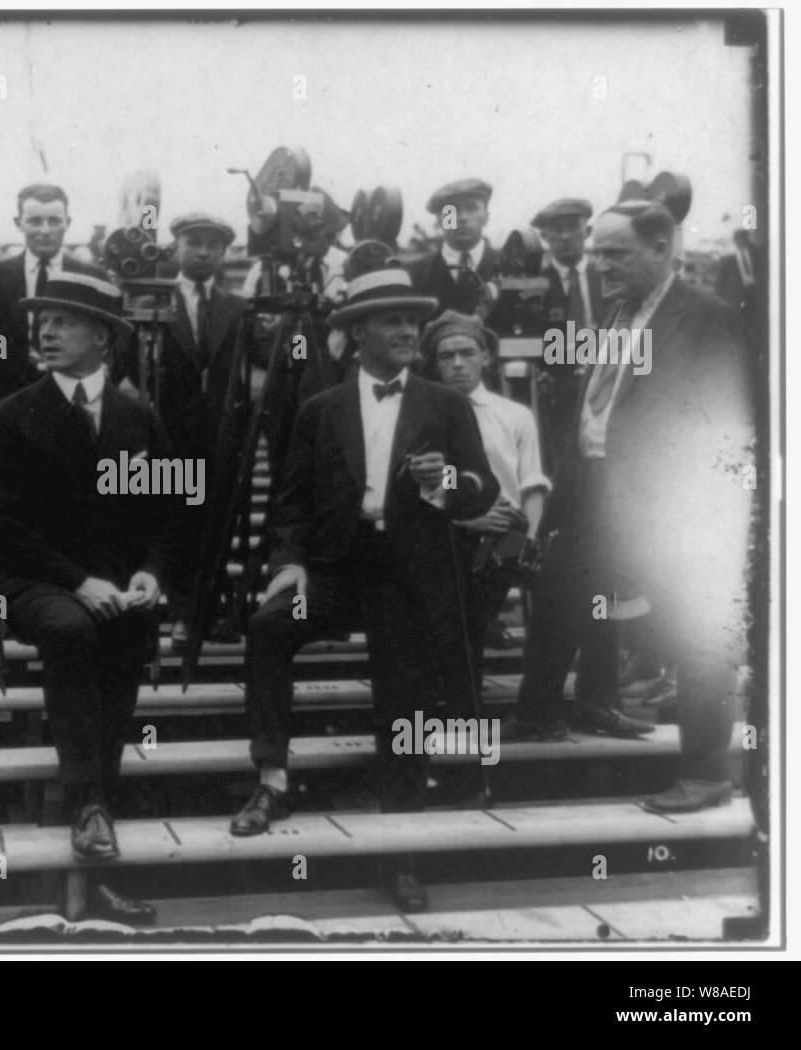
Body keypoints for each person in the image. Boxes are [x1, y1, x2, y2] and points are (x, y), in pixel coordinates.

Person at [231, 268, 497, 912]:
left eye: (412, 319)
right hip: (334, 572)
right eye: (391, 320)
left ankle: (400, 848)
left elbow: (482, 491)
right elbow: (290, 503)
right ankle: (272, 778)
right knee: (269, 626)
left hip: (409, 575)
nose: (408, 330)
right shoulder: (320, 410)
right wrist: (288, 564)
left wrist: (443, 482)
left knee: (403, 698)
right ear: (356, 334)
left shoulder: (446, 404)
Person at [505, 202, 757, 818]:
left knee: (697, 632)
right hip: (593, 489)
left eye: (615, 254)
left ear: (662, 248)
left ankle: (706, 772)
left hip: (668, 503)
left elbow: (727, 423)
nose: (601, 265)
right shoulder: (614, 315)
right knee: (559, 590)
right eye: (597, 253)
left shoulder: (708, 317)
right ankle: (538, 714)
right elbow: (596, 411)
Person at [0, 274, 179, 925]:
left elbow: (165, 514)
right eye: (43, 321)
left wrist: (149, 573)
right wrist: (77, 581)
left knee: (129, 627)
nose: (46, 331)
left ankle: (99, 803)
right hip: (33, 581)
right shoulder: (14, 413)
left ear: (102, 337)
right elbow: (0, 522)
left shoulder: (138, 417)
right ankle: (87, 803)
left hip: (113, 583)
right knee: (72, 629)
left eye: (63, 321)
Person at [421, 310, 550, 655]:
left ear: (486, 357)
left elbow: (531, 483)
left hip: (505, 530)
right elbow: (439, 482)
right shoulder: (427, 416)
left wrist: (532, 539)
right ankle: (480, 625)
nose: (458, 364)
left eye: (467, 353)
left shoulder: (513, 415)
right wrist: (467, 519)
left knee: (555, 579)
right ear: (435, 364)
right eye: (447, 356)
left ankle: (485, 626)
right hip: (449, 529)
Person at [154, 213, 253, 651]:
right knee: (177, 522)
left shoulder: (238, 307)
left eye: (213, 245)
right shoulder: (153, 299)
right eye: (193, 242)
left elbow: (268, 357)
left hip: (223, 435)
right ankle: (183, 614)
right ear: (176, 246)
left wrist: (298, 337)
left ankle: (209, 611)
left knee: (218, 521)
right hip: (169, 433)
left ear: (224, 253)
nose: (202, 252)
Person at [0, 183, 106, 434]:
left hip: (74, 403)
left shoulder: (93, 277)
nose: (45, 230)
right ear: (19, 223)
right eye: (35, 221)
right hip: (5, 402)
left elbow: (115, 342)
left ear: (67, 222)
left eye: (54, 221)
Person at [531, 198, 604, 472]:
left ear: (587, 231)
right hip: (557, 393)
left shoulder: (607, 277)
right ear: (544, 238)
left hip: (606, 385)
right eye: (555, 229)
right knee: (562, 466)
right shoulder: (533, 286)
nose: (564, 236)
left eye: (572, 227)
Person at [406, 178, 502, 315]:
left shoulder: (508, 267)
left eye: (471, 208)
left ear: (485, 217)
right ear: (440, 220)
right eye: (451, 210)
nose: (462, 217)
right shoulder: (413, 274)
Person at [714, 229, 765, 340]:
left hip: (754, 295)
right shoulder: (727, 259)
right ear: (734, 241)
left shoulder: (758, 255)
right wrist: (719, 301)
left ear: (747, 240)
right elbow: (719, 283)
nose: (740, 242)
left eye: (743, 239)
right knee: (735, 324)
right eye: (737, 240)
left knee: (752, 322)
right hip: (735, 297)